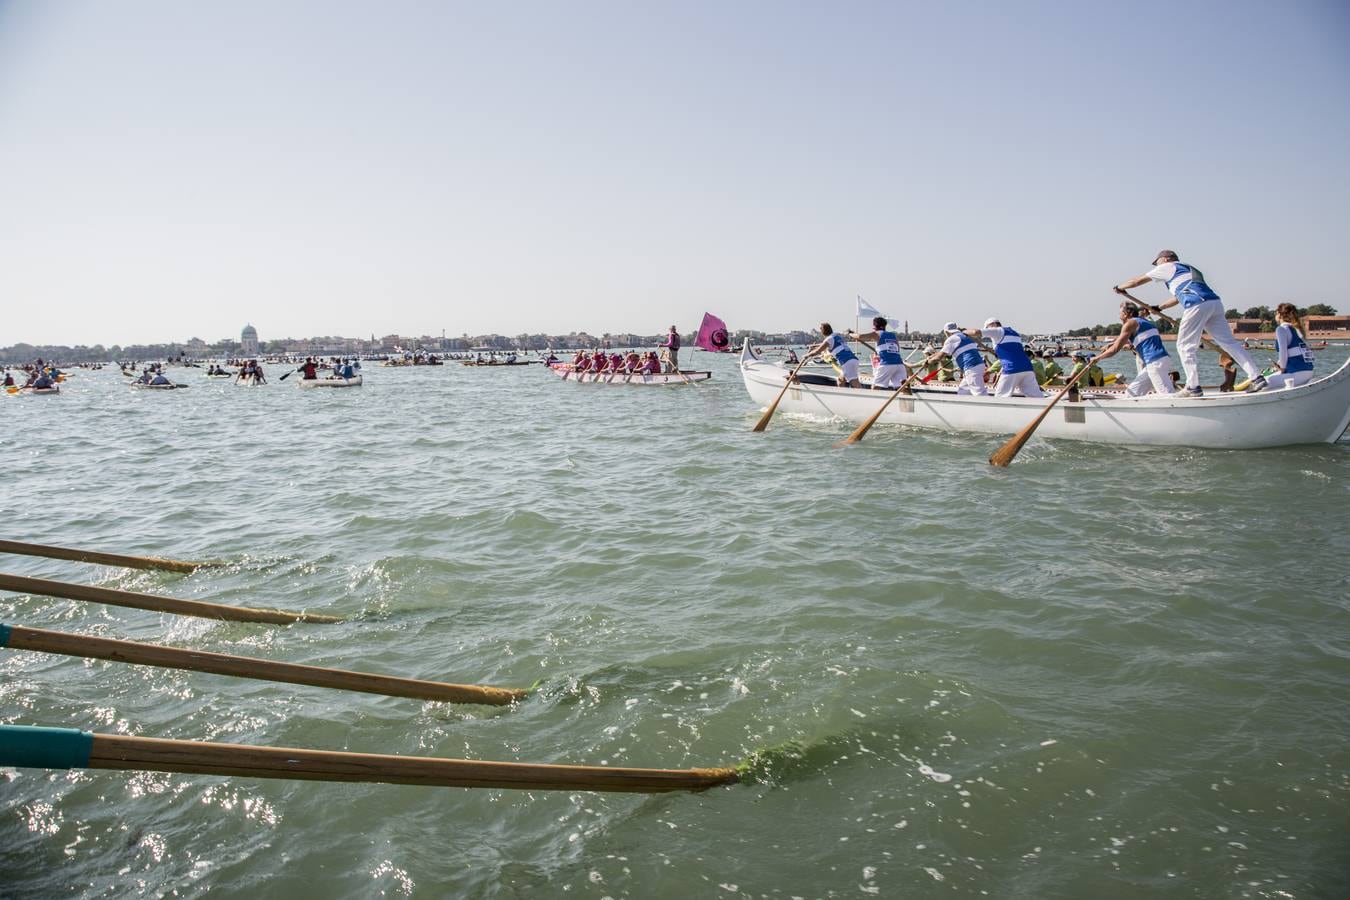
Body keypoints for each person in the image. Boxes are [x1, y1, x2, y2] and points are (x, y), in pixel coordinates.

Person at [1114, 250, 1264, 396]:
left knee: (1184, 346)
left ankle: (1193, 386)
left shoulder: (1168, 267)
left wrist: (1120, 288)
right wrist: (1159, 307)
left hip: (1196, 304)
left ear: (1166, 259)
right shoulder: (1190, 269)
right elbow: (1179, 296)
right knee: (1230, 343)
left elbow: (1136, 281)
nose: (1156, 267)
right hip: (1214, 303)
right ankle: (1257, 377)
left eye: (1157, 263)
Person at [1090, 302, 1176, 397]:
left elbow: (1114, 350)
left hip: (1155, 362)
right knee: (1131, 393)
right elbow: (1138, 340)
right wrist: (1112, 343)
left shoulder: (1130, 323)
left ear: (1126, 313)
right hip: (1157, 362)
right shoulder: (1146, 322)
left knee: (1167, 395)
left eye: (1120, 313)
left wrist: (1098, 358)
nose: (1119, 317)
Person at [973, 318, 1042, 398]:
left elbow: (975, 332)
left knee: (1000, 398)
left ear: (993, 325)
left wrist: (963, 331)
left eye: (987, 329)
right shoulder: (1014, 333)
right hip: (1027, 368)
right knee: (1036, 397)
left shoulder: (997, 331)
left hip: (1011, 369)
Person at [1265, 302, 1316, 390]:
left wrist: (1282, 369)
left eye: (1275, 313)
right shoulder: (1298, 329)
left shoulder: (1281, 329)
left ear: (1280, 314)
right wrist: (1280, 366)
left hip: (1296, 374)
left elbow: (1283, 353)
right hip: (1309, 372)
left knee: (1265, 381)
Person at [849, 316, 907, 389]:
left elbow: (860, 336)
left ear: (875, 326)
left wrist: (851, 334)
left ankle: (873, 400)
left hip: (887, 364)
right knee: (902, 388)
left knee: (875, 387)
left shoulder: (877, 334)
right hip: (899, 365)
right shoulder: (893, 335)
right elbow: (897, 350)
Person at [803, 323, 861, 388]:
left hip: (847, 362)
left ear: (823, 331)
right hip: (852, 360)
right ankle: (843, 396)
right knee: (840, 381)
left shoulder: (829, 339)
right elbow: (824, 346)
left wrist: (807, 355)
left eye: (821, 330)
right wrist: (814, 347)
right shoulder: (836, 336)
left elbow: (817, 351)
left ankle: (863, 396)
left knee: (855, 383)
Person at [937, 323, 988, 396]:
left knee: (979, 393)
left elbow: (939, 357)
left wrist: (928, 362)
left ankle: (991, 406)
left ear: (946, 332)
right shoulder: (966, 336)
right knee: (963, 391)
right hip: (978, 365)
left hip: (971, 367)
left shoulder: (952, 339)